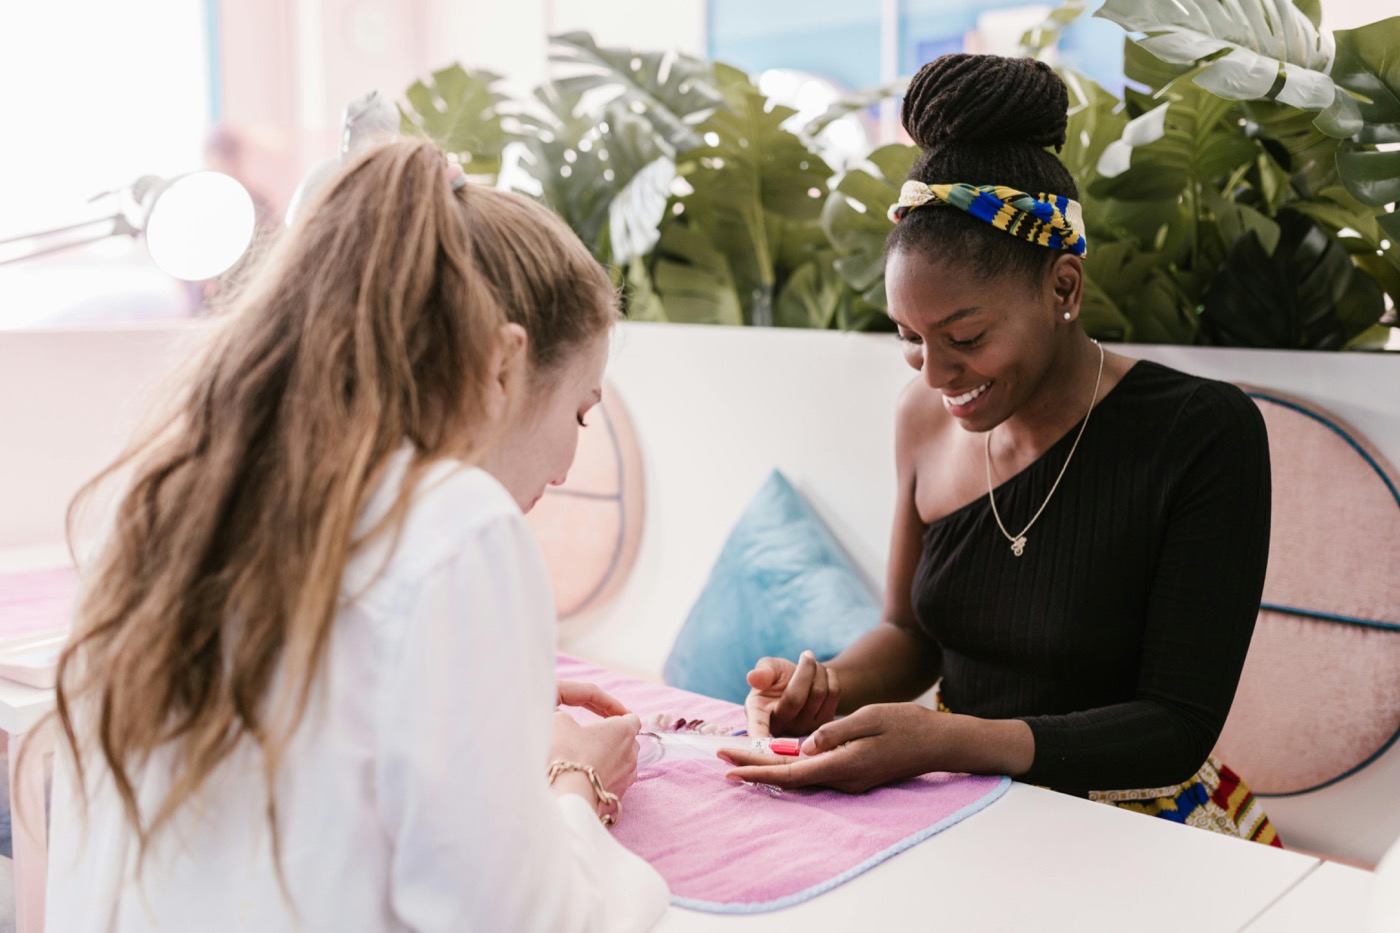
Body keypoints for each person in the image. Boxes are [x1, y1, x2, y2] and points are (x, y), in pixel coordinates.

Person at [43, 138, 669, 930]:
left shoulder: (162, 502)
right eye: (582, 408)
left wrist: (486, 709)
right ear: (501, 366)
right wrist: (571, 778)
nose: (573, 456)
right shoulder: (457, 528)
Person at [721, 54, 1280, 845]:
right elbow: (912, 634)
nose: (938, 376)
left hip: (1148, 828)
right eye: (910, 338)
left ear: (1063, 288)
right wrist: (832, 684)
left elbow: (1175, 725)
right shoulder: (922, 417)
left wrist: (947, 740)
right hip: (966, 806)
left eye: (965, 338)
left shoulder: (1202, 433)